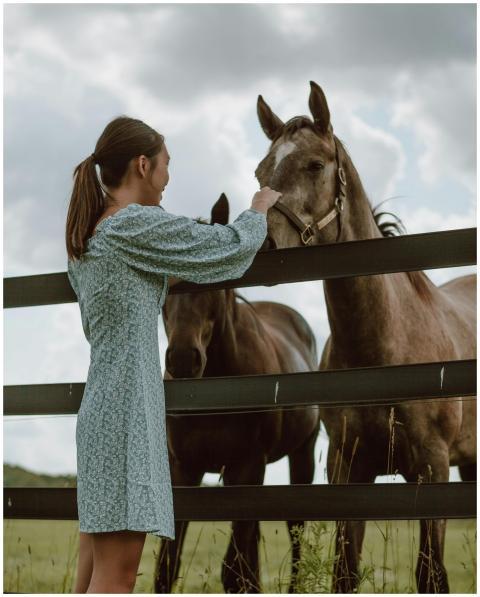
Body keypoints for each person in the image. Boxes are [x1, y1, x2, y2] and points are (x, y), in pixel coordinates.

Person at [65, 115, 281, 593]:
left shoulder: (91, 235)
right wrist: (258, 209)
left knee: (89, 572)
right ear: (142, 165)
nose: (168, 177)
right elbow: (225, 247)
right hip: (128, 414)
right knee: (118, 576)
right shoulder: (135, 223)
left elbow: (150, 278)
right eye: (166, 165)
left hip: (102, 410)